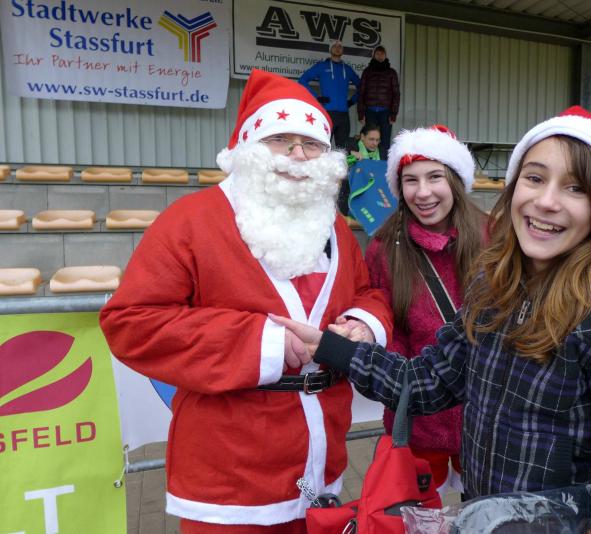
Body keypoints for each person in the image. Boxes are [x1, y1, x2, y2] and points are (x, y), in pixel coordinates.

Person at [273, 106, 591, 533]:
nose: (546, 201)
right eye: (535, 178)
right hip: (487, 517)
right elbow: (426, 381)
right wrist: (333, 347)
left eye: (575, 188)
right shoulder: (495, 287)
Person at [99, 69, 392, 533]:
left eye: (311, 144)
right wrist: (261, 344)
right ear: (249, 148)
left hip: (322, 460)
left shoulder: (333, 226)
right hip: (228, 475)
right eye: (281, 140)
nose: (298, 155)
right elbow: (131, 322)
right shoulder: (191, 221)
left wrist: (363, 323)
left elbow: (366, 292)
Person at [365, 124, 486, 496]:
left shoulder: (494, 236)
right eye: (410, 180)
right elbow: (390, 330)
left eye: (435, 177)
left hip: (484, 417)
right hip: (418, 416)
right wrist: (407, 387)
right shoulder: (384, 248)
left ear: (455, 180)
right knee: (418, 516)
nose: (422, 192)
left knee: (488, 513)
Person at [299, 40, 360, 149]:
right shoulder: (322, 66)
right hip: (327, 114)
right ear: (330, 49)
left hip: (343, 115)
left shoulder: (347, 69)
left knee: (343, 149)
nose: (337, 48)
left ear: (343, 50)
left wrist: (352, 101)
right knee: (323, 146)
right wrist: (316, 98)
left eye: (340, 46)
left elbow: (362, 87)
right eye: (334, 46)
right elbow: (302, 80)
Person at [357, 45, 400, 159]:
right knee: (370, 138)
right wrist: (361, 113)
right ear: (374, 55)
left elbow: (396, 94)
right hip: (370, 111)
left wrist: (393, 114)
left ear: (385, 55)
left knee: (384, 140)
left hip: (386, 112)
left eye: (382, 54)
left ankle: (383, 164)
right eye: (377, 53)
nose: (380, 56)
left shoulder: (391, 72)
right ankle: (368, 162)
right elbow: (361, 93)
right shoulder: (367, 72)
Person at [338, 123, 382, 215]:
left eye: (377, 140)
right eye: (371, 139)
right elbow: (337, 162)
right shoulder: (350, 147)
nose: (375, 143)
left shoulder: (383, 153)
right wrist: (349, 154)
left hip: (375, 198)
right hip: (351, 198)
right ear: (362, 137)